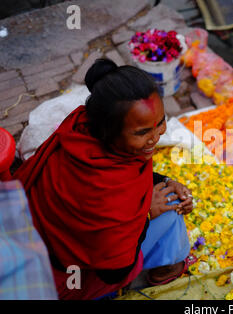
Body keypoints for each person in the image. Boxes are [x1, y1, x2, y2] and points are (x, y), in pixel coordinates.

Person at [12, 58, 194, 300]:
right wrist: (146, 214)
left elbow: (132, 177)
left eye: (160, 123)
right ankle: (160, 273)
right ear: (109, 132)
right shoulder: (100, 188)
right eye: (142, 132)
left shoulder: (82, 126)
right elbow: (115, 269)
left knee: (165, 195)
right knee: (170, 210)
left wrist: (166, 181)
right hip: (65, 279)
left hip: (35, 242)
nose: (155, 138)